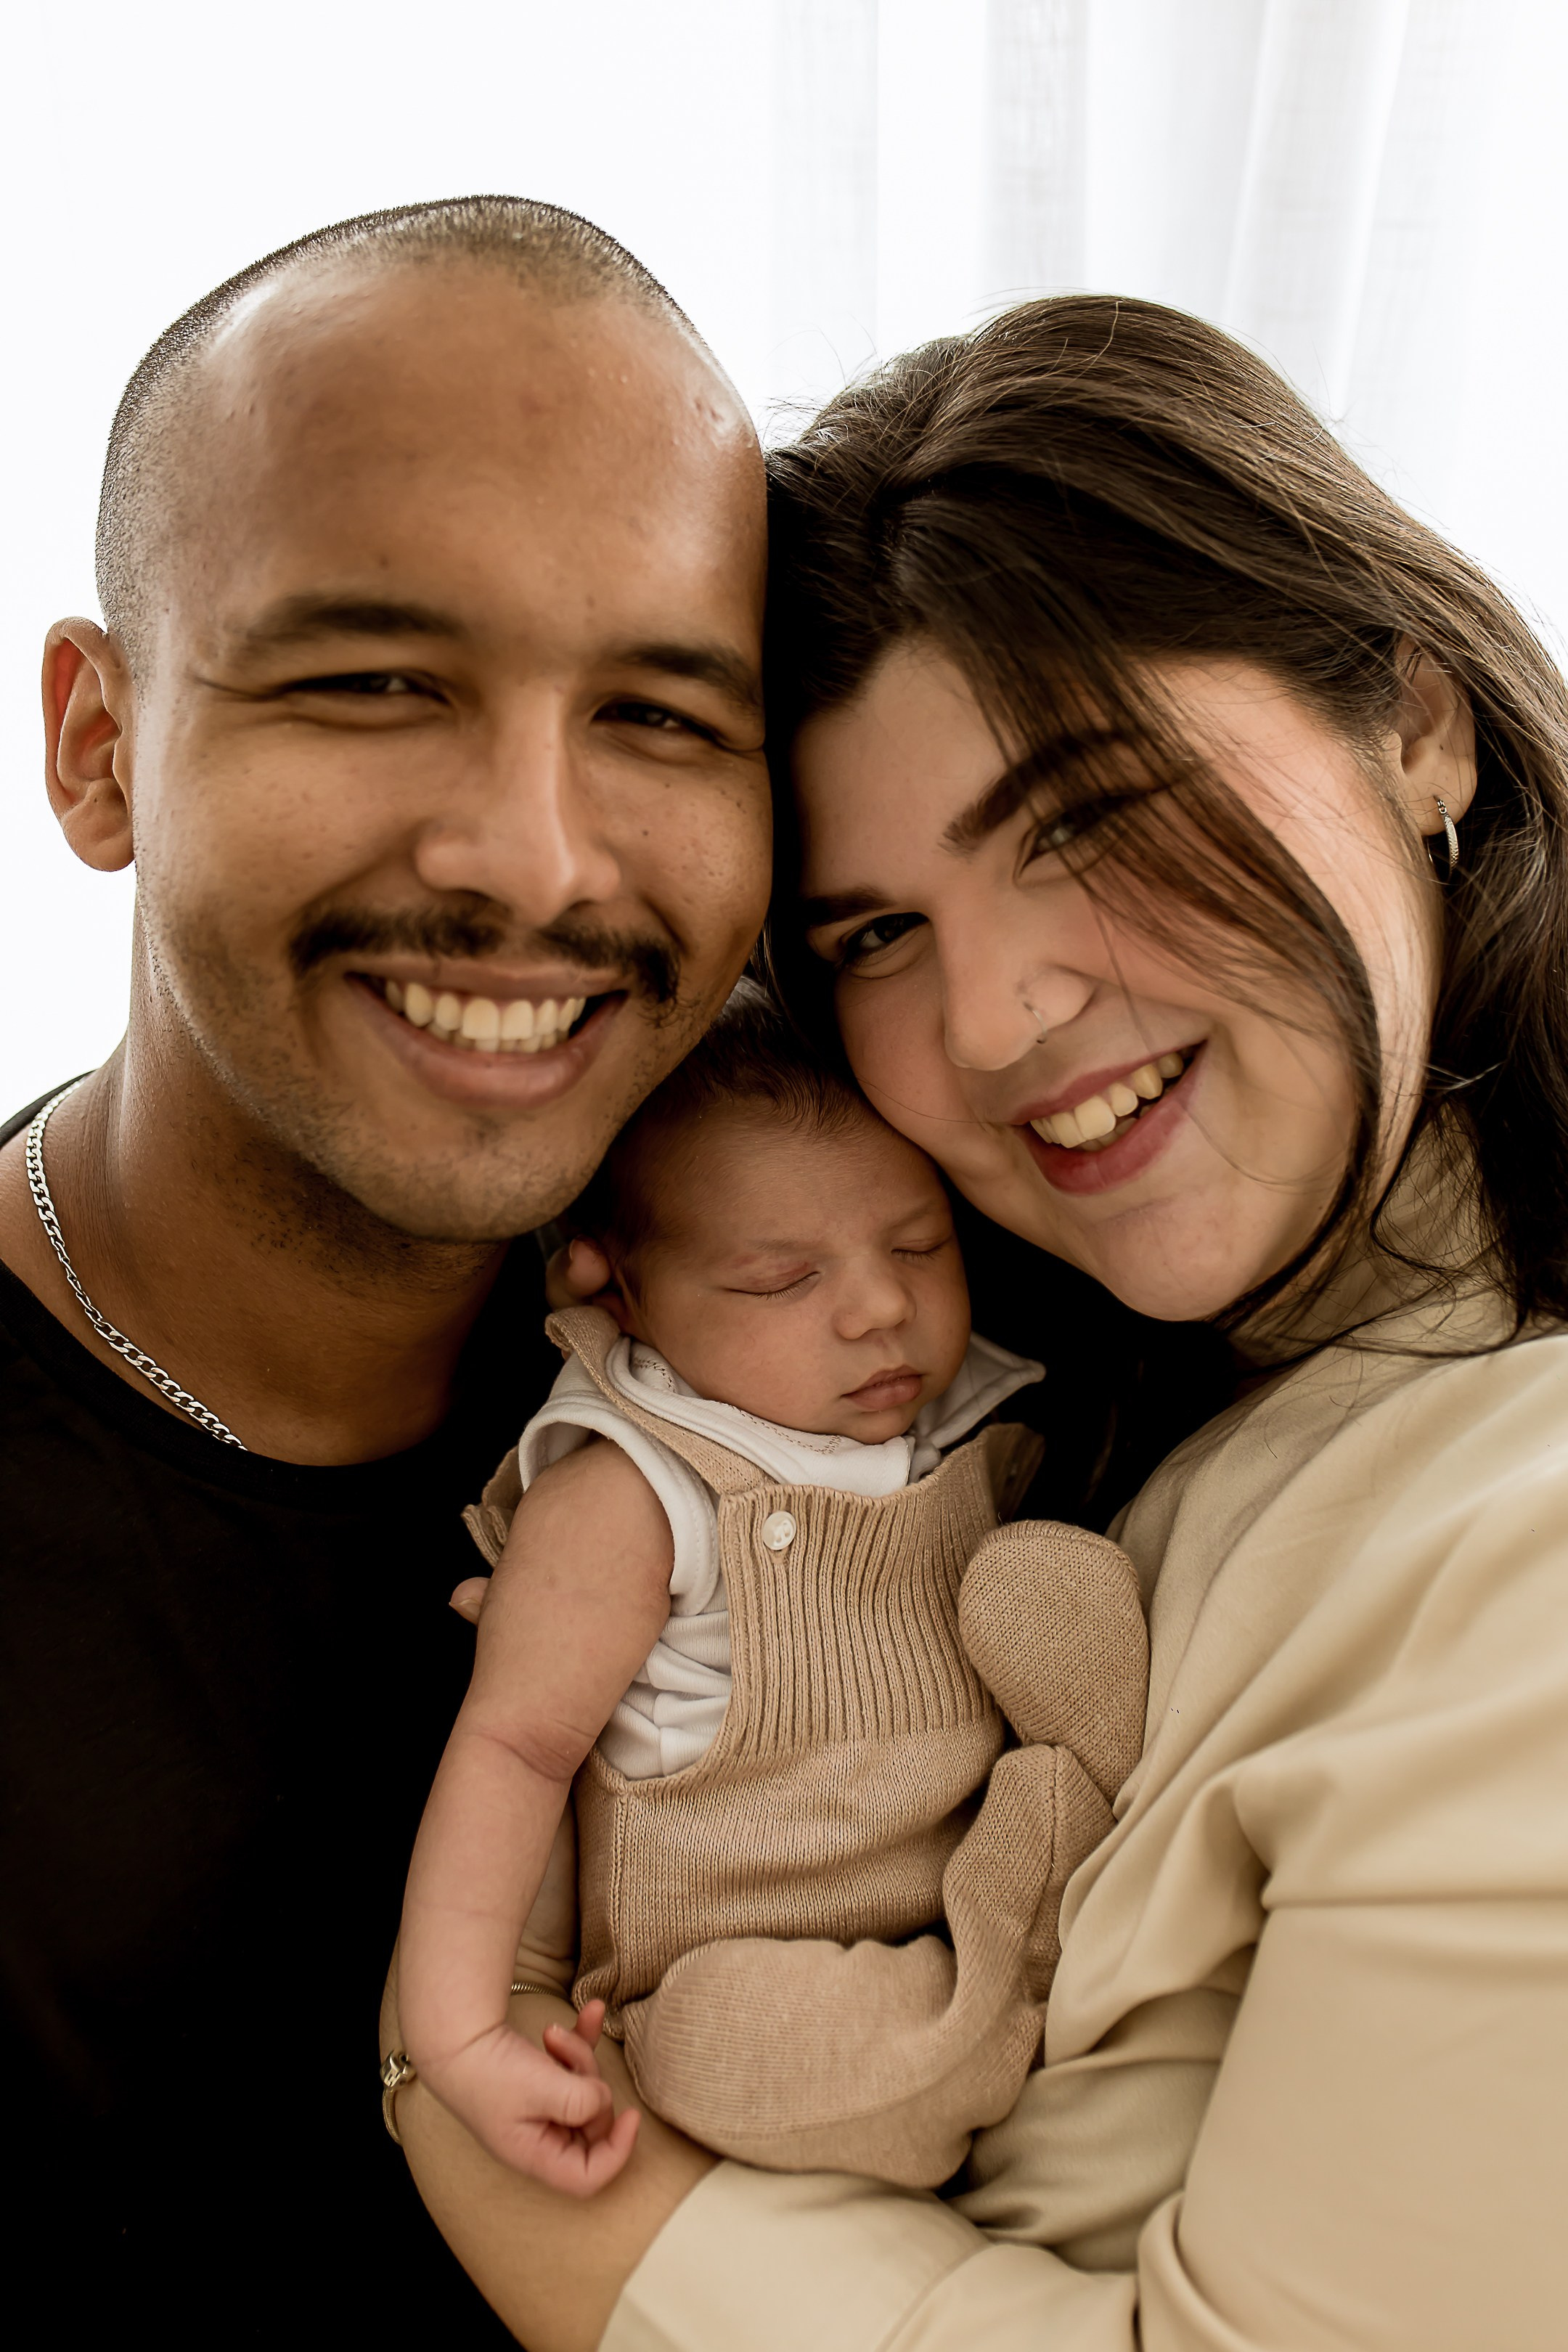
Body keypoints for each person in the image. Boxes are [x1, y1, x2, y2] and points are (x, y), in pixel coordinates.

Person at [387, 296, 1568, 2351]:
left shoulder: (1523, 1531)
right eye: (879, 934)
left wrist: (561, 2194)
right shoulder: (1024, 1383)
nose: (999, 1018)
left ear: (1423, 725)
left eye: (1092, 818)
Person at [0, 195, 772, 2341]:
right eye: (373, 683)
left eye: (661, 718)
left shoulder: (874, 1359)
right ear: (100, 748)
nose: (532, 857)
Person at [392, 983, 1148, 2194]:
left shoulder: (963, 1412)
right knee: (716, 2049)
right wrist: (462, 2032)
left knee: (1047, 1584)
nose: (880, 1308)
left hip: (945, 1882)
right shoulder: (633, 1486)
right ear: (615, 1290)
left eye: (918, 1243)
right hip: (734, 1958)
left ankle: (1035, 1906)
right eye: (777, 1281)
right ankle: (1003, 1985)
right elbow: (514, 1748)